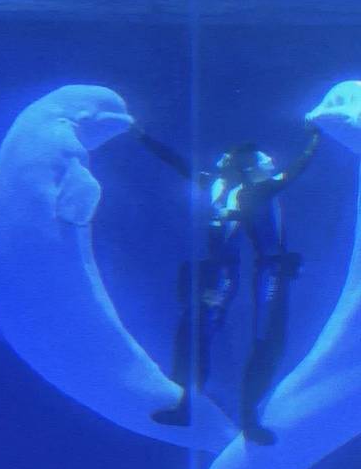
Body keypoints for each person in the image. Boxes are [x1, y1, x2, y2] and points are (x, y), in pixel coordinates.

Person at [136, 122, 321, 444]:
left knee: (201, 335)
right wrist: (316, 137)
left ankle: (196, 407)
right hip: (250, 275)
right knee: (258, 340)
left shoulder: (222, 186)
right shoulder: (256, 190)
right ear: (247, 166)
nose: (270, 161)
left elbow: (178, 163)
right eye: (263, 159)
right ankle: (244, 417)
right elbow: (297, 168)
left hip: (227, 274)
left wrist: (142, 138)